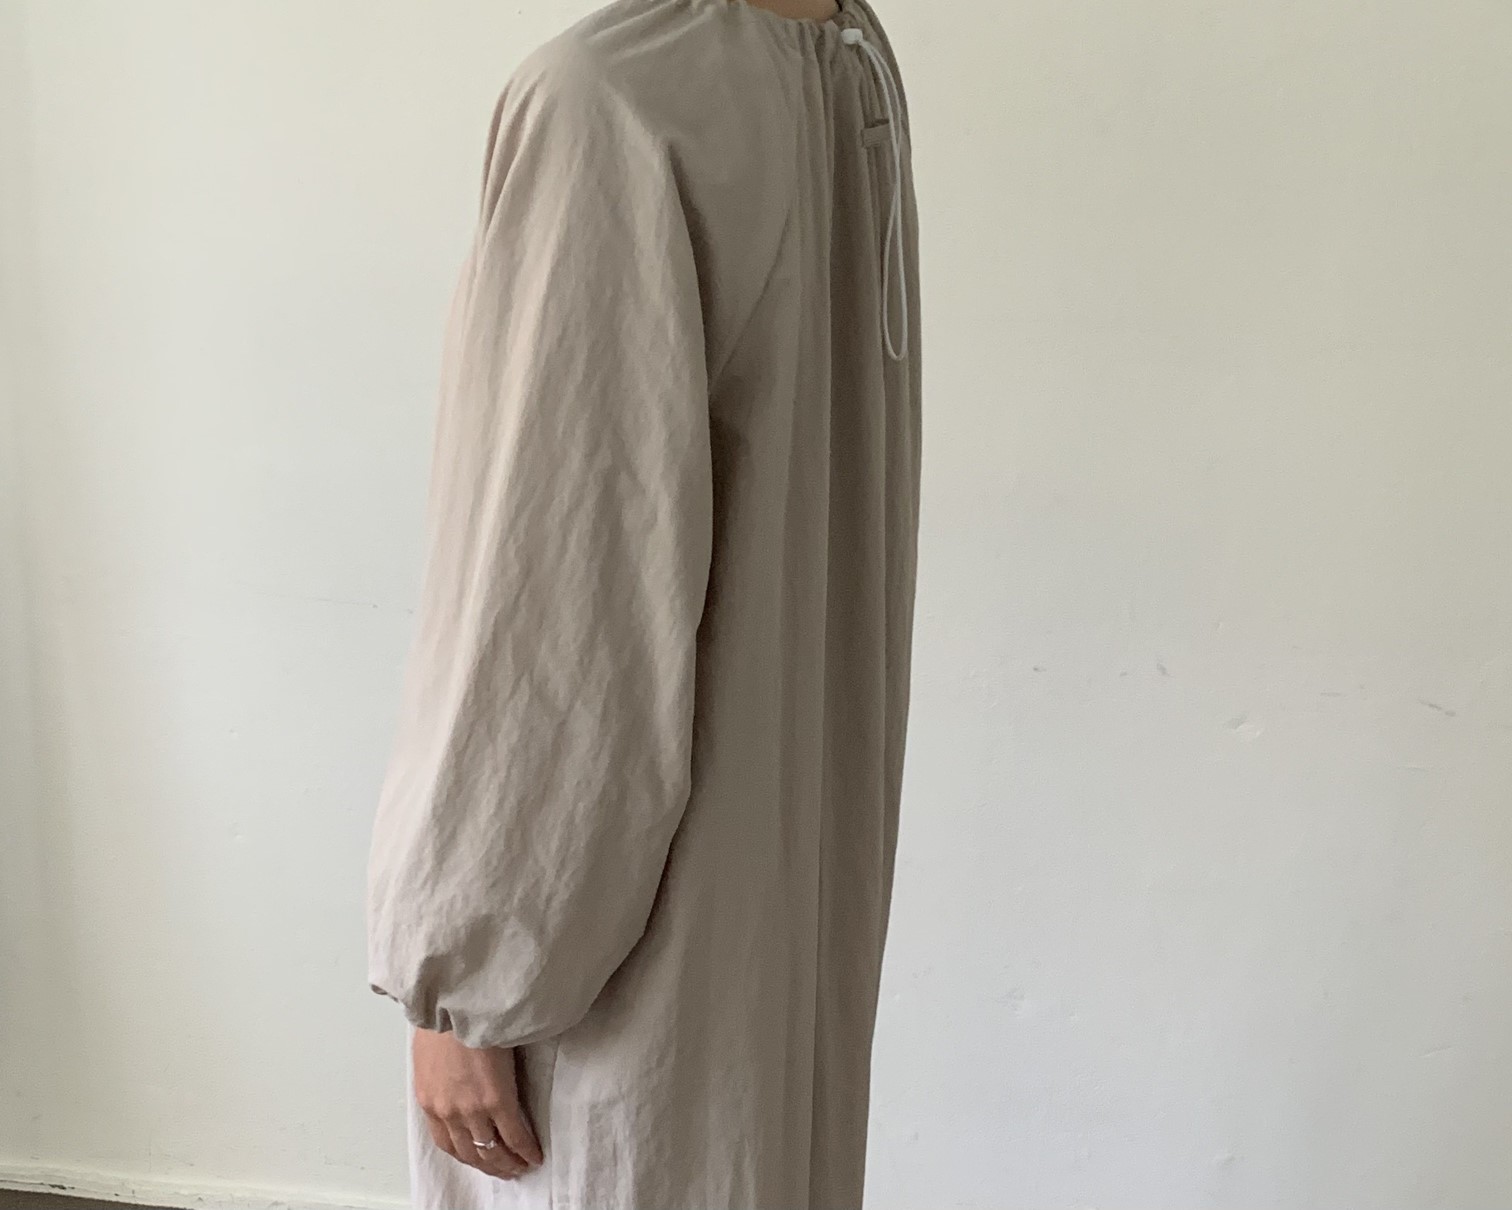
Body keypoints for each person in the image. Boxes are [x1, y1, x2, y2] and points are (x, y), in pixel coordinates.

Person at [365, 0, 920, 1204]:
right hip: (776, 912)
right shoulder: (843, 63)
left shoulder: (605, 101)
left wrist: (466, 979)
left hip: (618, 965)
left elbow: (560, 589)